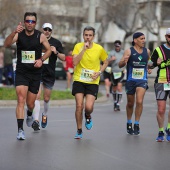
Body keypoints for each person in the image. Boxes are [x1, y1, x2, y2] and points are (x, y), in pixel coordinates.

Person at [4, 12, 51, 140]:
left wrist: (41, 59)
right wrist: (14, 32)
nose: (30, 24)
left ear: (35, 23)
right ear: (24, 22)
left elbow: (49, 50)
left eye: (32, 21)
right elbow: (6, 44)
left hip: (35, 73)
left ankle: (30, 114)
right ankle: (20, 130)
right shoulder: (19, 34)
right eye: (28, 21)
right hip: (21, 72)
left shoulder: (40, 36)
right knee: (20, 99)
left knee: (30, 103)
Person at [72, 26, 108, 139]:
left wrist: (99, 72)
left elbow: (105, 62)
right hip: (79, 79)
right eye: (86, 35)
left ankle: (88, 115)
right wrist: (84, 49)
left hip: (92, 81)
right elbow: (74, 62)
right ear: (83, 36)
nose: (88, 37)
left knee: (88, 107)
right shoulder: (78, 46)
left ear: (93, 36)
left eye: (90, 35)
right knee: (79, 105)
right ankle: (79, 130)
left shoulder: (99, 48)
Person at [33, 23, 65, 130]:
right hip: (37, 71)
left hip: (49, 73)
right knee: (37, 96)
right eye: (45, 29)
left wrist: (55, 52)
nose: (47, 31)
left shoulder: (56, 42)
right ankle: (36, 120)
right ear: (42, 29)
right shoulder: (37, 40)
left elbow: (64, 57)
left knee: (46, 98)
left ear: (51, 31)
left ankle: (44, 115)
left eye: (49, 30)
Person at [119, 32, 151, 135]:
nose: (143, 40)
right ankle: (129, 122)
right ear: (135, 40)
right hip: (130, 80)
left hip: (142, 80)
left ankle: (136, 124)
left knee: (140, 101)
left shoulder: (147, 51)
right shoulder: (129, 51)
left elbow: (148, 63)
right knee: (130, 103)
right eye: (141, 39)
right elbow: (120, 65)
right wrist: (124, 61)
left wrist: (149, 68)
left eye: (144, 38)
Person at [150, 28, 170, 142]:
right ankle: (161, 130)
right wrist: (155, 63)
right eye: (169, 36)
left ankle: (169, 128)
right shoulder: (158, 50)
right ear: (166, 37)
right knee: (161, 109)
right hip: (161, 82)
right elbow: (150, 65)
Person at [108, 40, 125, 111]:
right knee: (114, 88)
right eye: (116, 46)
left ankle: (118, 104)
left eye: (118, 46)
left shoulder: (123, 52)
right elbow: (106, 62)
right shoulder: (111, 53)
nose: (117, 47)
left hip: (121, 72)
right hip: (113, 72)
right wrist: (111, 60)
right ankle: (115, 101)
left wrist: (125, 68)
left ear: (120, 46)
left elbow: (127, 60)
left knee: (119, 87)